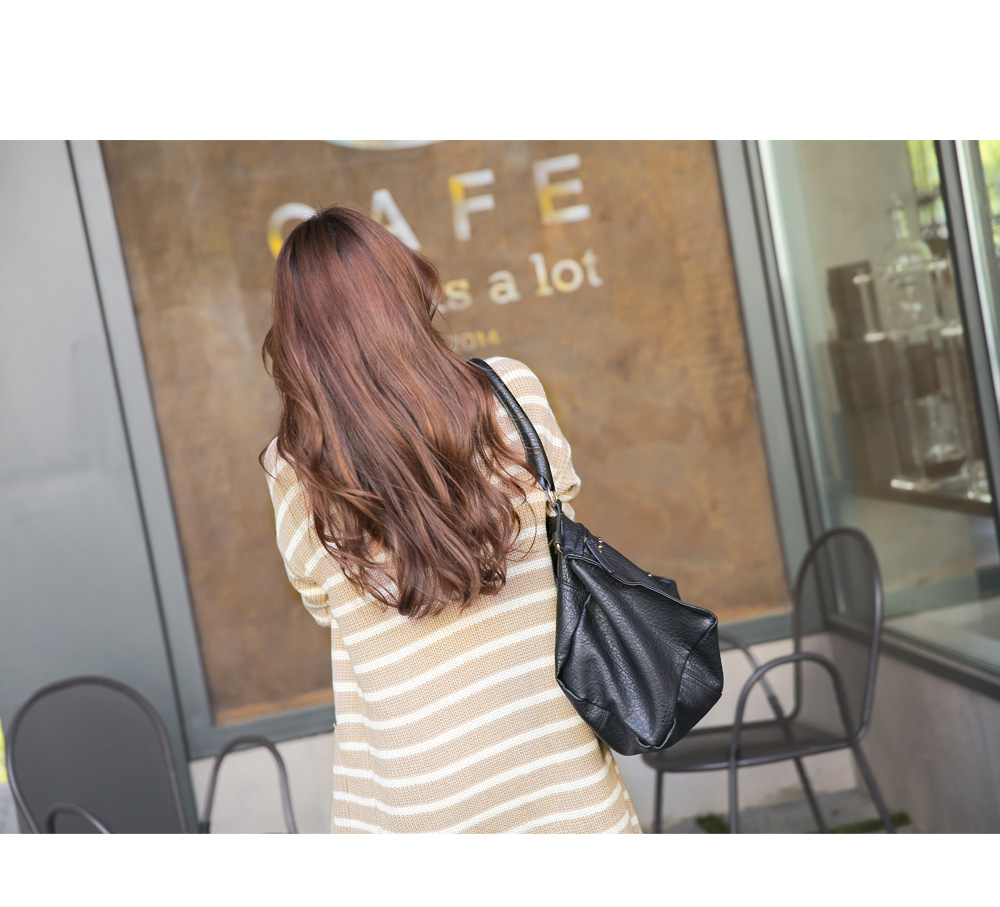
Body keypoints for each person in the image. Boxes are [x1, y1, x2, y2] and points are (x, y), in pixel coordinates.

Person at [261, 205, 640, 834]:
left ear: (300, 336)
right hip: (558, 772)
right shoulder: (510, 393)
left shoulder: (294, 467)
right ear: (404, 290)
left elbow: (323, 603)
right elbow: (561, 517)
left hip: (418, 795)